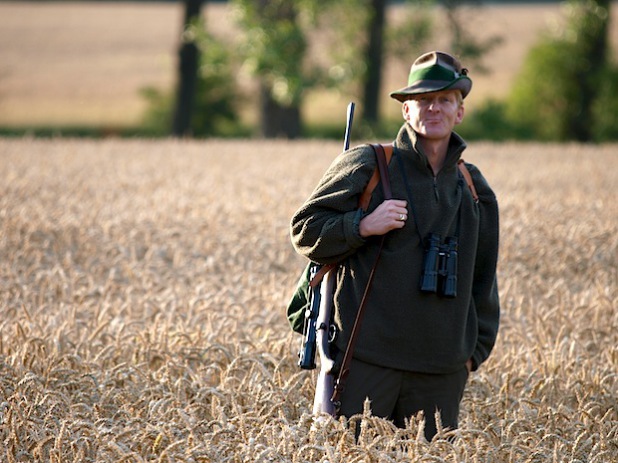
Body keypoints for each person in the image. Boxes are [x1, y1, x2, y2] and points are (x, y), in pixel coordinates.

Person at [289, 51, 500, 440]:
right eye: (422, 100)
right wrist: (363, 225)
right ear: (406, 111)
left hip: (441, 373)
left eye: (444, 99)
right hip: (365, 365)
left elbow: (484, 277)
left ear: (460, 112)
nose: (433, 108)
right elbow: (305, 229)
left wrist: (471, 355)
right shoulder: (369, 164)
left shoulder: (474, 187)